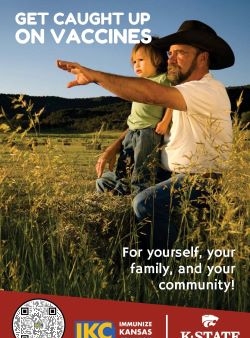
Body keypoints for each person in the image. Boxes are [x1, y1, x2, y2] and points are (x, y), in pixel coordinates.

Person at [57, 20, 235, 250]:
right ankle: (113, 246)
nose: (170, 58)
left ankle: (166, 269)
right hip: (166, 173)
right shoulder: (178, 93)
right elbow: (142, 123)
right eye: (170, 53)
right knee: (106, 184)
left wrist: (96, 76)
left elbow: (148, 94)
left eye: (180, 53)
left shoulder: (208, 90)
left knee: (145, 202)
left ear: (203, 58)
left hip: (198, 180)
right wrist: (114, 147)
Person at [96, 38, 172, 195]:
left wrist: (165, 121)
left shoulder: (163, 79)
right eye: (134, 61)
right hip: (132, 132)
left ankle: (138, 204)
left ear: (157, 60)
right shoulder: (139, 83)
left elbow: (172, 101)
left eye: (141, 60)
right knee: (124, 170)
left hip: (148, 132)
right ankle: (120, 199)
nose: (136, 65)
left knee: (141, 173)